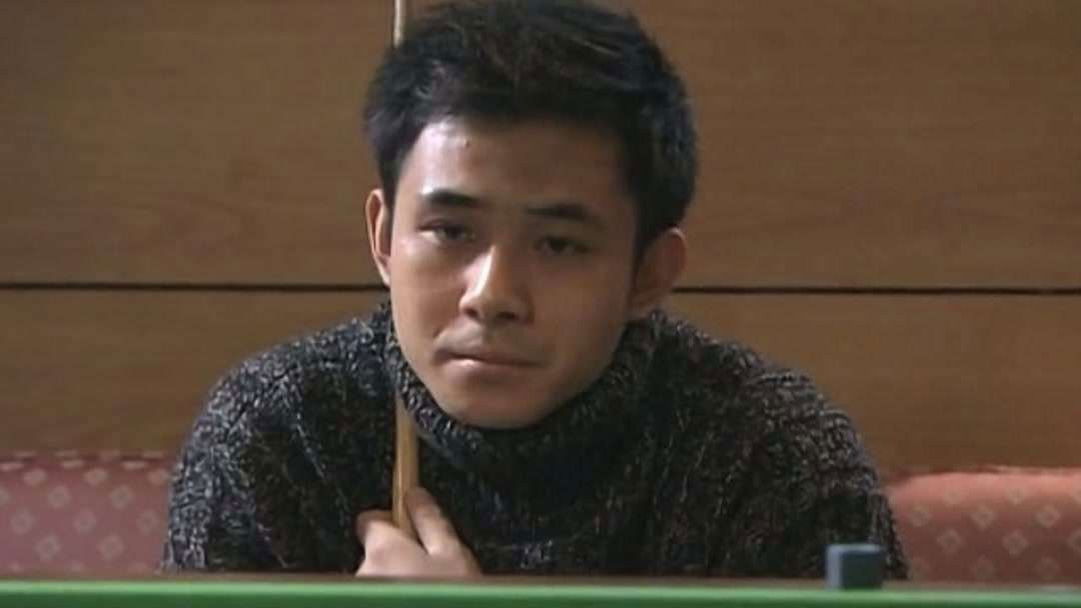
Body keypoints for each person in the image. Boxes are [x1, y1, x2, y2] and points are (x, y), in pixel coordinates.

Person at [163, 0, 907, 578]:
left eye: (558, 244)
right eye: (450, 231)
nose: (492, 296)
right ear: (383, 237)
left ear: (649, 274)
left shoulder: (770, 457)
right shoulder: (279, 436)